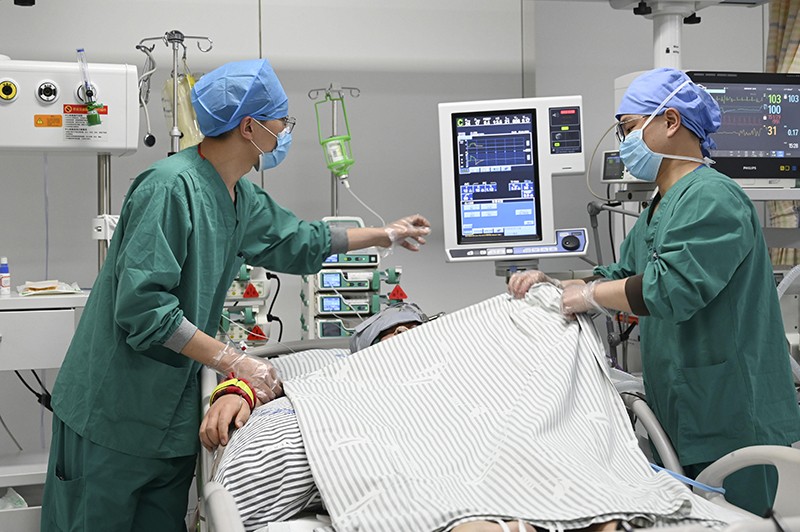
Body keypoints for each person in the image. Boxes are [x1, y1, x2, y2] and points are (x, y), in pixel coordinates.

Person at [40, 58, 431, 532]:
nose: (286, 129)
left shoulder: (238, 197)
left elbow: (300, 240)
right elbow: (143, 308)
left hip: (167, 423)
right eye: (282, 120)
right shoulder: (169, 188)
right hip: (110, 413)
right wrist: (234, 361)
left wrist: (383, 235)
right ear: (250, 126)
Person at [508, 67, 800, 517]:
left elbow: (671, 289)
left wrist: (587, 299)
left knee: (747, 520)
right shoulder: (658, 207)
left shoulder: (712, 197)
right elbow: (623, 272)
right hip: (687, 404)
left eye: (628, 128)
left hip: (734, 411)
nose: (624, 142)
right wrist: (559, 284)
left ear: (670, 122)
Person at [201, 301, 619, 532]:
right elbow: (268, 373)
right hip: (377, 453)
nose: (405, 340)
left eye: (413, 332)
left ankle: (561, 513)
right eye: (391, 335)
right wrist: (234, 389)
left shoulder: (453, 373)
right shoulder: (336, 364)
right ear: (366, 349)